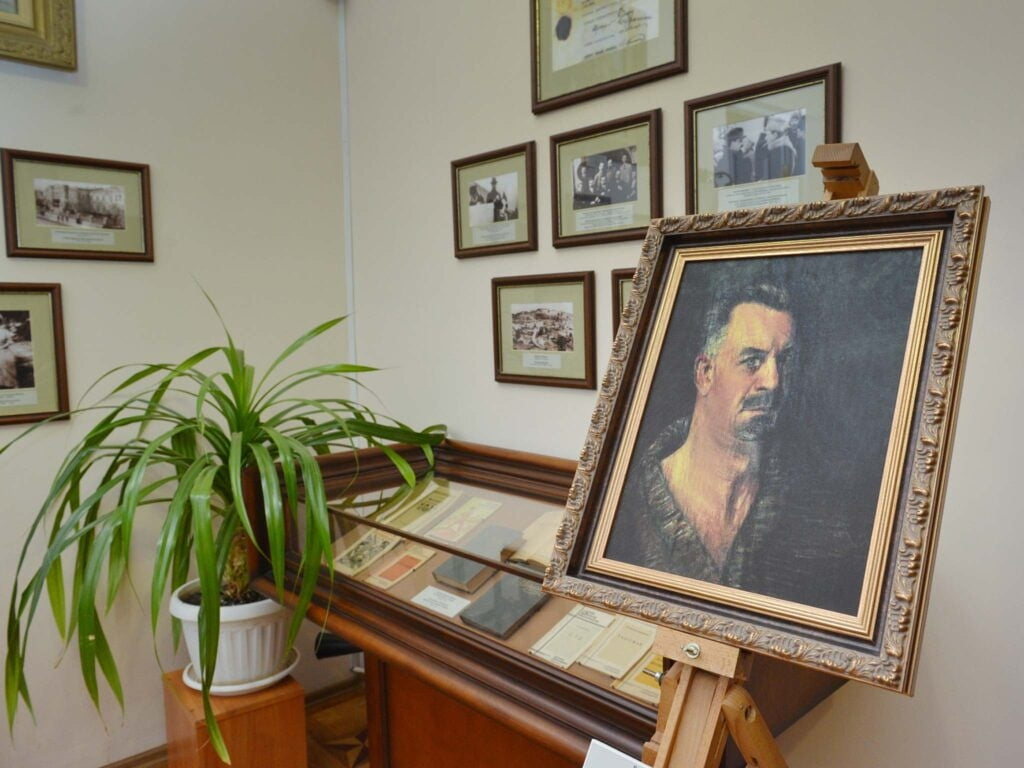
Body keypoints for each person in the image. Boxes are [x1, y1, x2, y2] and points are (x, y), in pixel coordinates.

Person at [607, 284, 862, 614]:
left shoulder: (821, 510)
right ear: (705, 374)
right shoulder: (627, 498)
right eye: (752, 361)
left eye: (783, 361)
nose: (773, 381)